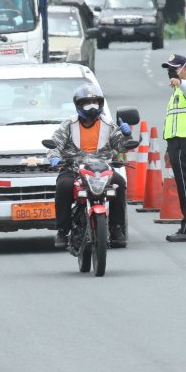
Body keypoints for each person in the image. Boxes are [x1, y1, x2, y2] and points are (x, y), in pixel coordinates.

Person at [46, 83, 131, 249]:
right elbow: (55, 144)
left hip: (102, 170)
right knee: (63, 185)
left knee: (119, 183)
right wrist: (55, 158)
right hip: (73, 169)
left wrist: (127, 135)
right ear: (78, 105)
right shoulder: (69, 125)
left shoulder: (109, 125)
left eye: (95, 103)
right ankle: (63, 230)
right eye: (87, 103)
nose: (92, 107)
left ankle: (116, 228)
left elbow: (121, 146)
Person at [161, 53, 186, 242]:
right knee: (184, 185)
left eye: (175, 68)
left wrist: (180, 82)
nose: (171, 72)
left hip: (185, 141)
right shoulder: (175, 93)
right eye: (169, 68)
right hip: (176, 142)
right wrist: (168, 150)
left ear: (185, 69)